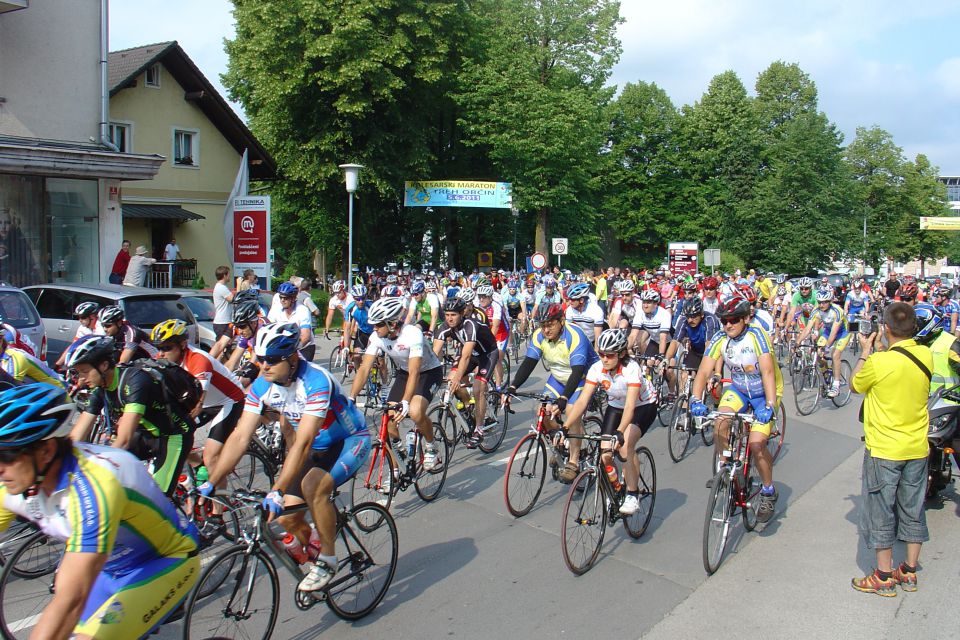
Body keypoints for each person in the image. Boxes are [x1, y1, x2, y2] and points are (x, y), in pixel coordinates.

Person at [0, 383, 200, 639]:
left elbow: (71, 600)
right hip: (109, 569)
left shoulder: (95, 485)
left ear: (46, 450)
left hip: (165, 562)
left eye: (6, 456)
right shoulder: (15, 483)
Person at [199, 323, 370, 593]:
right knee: (286, 519)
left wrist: (277, 489)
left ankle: (328, 558)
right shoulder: (262, 385)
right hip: (316, 445)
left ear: (291, 359)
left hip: (349, 439)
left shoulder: (315, 381)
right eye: (261, 358)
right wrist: (212, 481)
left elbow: (302, 444)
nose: (263, 365)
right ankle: (315, 543)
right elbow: (240, 436)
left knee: (314, 487)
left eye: (271, 360)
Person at [850, 302, 932, 596]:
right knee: (912, 507)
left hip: (885, 448)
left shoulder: (879, 362)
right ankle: (909, 571)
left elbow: (855, 385)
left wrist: (866, 350)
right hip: (917, 447)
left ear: (885, 328)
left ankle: (883, 576)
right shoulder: (925, 355)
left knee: (881, 509)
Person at [690, 296, 783, 523]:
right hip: (740, 389)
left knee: (757, 444)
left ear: (745, 318)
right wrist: (695, 399)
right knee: (720, 422)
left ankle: (769, 490)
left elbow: (768, 373)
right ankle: (726, 468)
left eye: (733, 320)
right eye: (724, 321)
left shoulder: (757, 336)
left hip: (764, 393)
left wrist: (770, 406)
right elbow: (703, 371)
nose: (728, 325)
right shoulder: (720, 338)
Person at [67, 336, 195, 496]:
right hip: (146, 434)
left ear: (104, 365)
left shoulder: (135, 381)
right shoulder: (100, 389)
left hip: (174, 435)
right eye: (78, 373)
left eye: (85, 372)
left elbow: (124, 439)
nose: (81, 379)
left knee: (156, 500)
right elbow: (76, 436)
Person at [564, 329, 656, 514]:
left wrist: (620, 432)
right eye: (601, 354)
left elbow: (630, 406)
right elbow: (582, 400)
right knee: (605, 453)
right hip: (616, 406)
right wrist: (565, 427)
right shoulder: (597, 368)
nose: (604, 359)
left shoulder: (632, 369)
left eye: (610, 355)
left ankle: (632, 493)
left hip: (642, 406)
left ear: (621, 354)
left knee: (624, 446)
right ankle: (617, 488)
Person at [151, 319, 245, 495]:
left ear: (183, 344)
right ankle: (198, 465)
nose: (161, 354)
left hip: (228, 401)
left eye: (166, 348)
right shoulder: (163, 360)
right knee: (173, 438)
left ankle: (219, 509)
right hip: (208, 403)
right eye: (159, 348)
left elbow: (196, 404)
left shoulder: (198, 360)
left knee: (211, 457)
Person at [505, 303, 599, 481]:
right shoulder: (539, 336)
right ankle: (560, 442)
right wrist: (512, 387)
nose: (546, 330)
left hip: (582, 377)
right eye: (543, 325)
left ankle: (573, 461)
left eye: (550, 324)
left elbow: (578, 371)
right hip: (558, 377)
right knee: (541, 410)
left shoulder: (574, 335)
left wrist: (564, 399)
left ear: (561, 321)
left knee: (572, 411)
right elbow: (528, 364)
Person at [350, 297, 444, 469]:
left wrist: (406, 402)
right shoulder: (377, 336)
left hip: (428, 372)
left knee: (415, 412)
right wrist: (351, 397)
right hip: (404, 373)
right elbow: (364, 369)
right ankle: (396, 469)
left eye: (378, 324)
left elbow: (415, 371)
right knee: (389, 421)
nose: (374, 328)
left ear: (392, 323)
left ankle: (431, 447)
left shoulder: (412, 334)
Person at [433, 297, 501, 448]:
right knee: (451, 381)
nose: (450, 319)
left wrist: (458, 378)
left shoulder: (470, 324)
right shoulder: (444, 326)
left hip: (487, 354)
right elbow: (434, 353)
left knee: (478, 388)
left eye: (454, 315)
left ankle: (479, 430)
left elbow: (466, 356)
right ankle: (466, 405)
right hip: (471, 355)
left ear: (462, 313)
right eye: (447, 314)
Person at [268, 281, 315, 361]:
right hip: (283, 346)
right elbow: (269, 329)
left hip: (304, 346)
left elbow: (306, 336)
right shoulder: (276, 309)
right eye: (280, 297)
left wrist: (292, 350)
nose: (282, 300)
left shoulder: (302, 310)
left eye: (285, 298)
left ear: (293, 298)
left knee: (299, 371)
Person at [54, 301, 102, 369]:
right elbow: (74, 346)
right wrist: (58, 364)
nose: (80, 320)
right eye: (78, 317)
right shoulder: (82, 328)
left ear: (93, 317)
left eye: (83, 317)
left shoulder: (101, 328)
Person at [212, 265, 235, 343]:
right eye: (228, 274)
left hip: (225, 321)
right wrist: (238, 285)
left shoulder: (221, 287)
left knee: (226, 346)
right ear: (224, 275)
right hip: (222, 322)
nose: (229, 277)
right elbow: (233, 299)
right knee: (222, 346)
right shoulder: (221, 287)